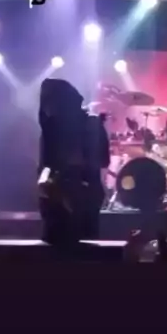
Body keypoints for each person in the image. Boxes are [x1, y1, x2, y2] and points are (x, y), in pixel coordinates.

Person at [38, 78, 110, 244]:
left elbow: (102, 161)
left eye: (50, 102)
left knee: (79, 247)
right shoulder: (51, 126)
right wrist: (46, 181)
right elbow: (46, 163)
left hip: (81, 194)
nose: (48, 108)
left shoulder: (90, 124)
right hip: (59, 194)